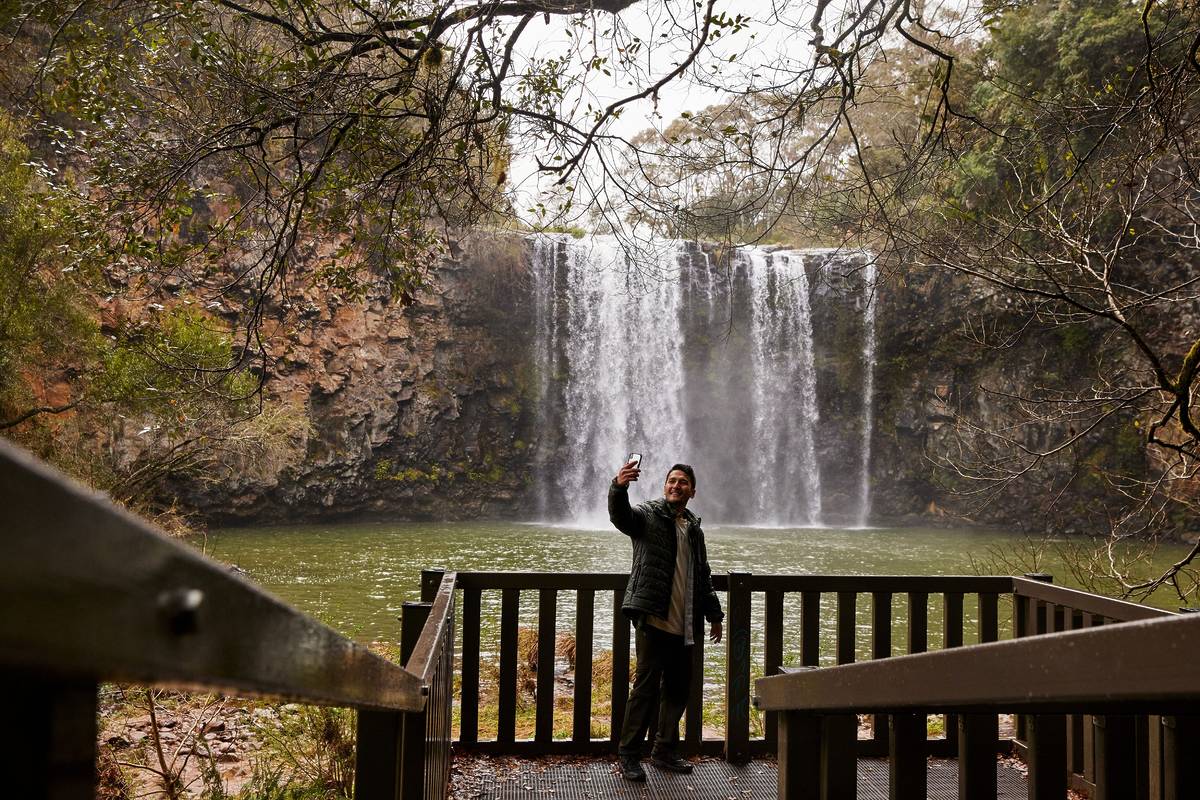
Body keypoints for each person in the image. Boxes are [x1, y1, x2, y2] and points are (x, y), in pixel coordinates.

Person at [609, 459, 724, 782]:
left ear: (693, 491)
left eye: (683, 482)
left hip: (685, 623)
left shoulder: (693, 529)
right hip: (653, 619)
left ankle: (664, 750)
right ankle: (629, 755)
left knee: (677, 689)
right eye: (672, 481)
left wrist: (714, 614)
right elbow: (621, 517)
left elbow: (702, 574)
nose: (676, 485)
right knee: (644, 689)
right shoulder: (648, 515)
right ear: (664, 486)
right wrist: (618, 487)